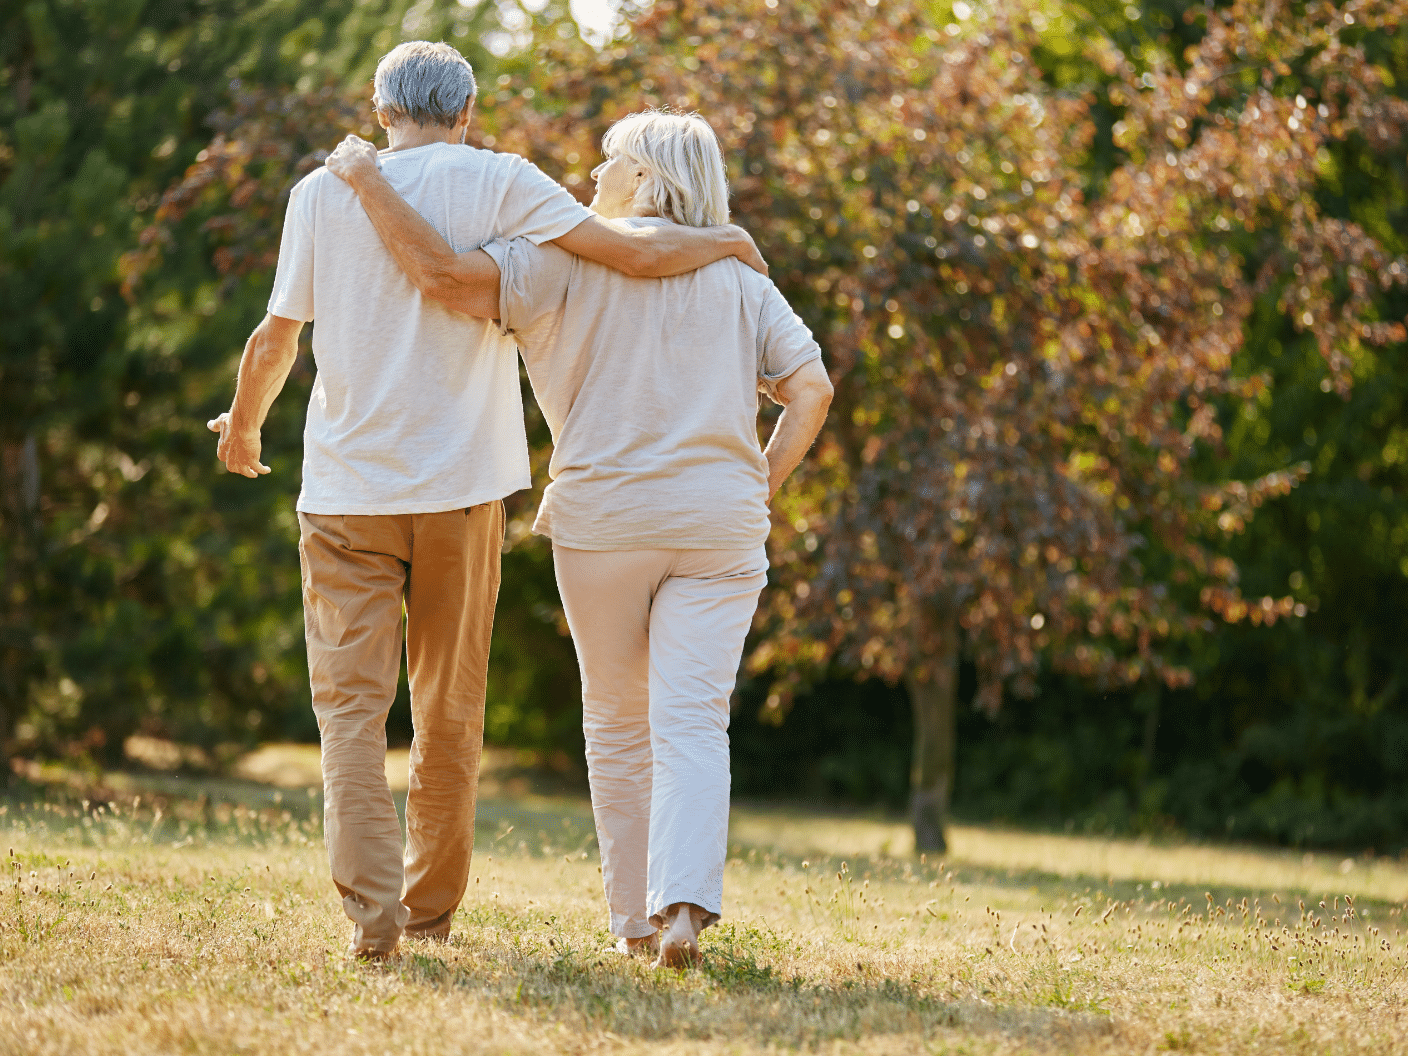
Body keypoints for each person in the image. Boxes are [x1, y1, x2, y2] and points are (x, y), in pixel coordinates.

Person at [207, 43, 768, 962]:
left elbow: (278, 334)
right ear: (467, 109)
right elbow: (624, 248)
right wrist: (726, 243)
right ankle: (428, 912)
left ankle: (371, 917)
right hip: (463, 491)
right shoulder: (506, 181)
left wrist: (242, 425)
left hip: (346, 493)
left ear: (380, 109)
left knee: (349, 712)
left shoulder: (320, 191)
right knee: (448, 709)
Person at [324, 109, 833, 967]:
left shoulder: (554, 261)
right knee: (695, 721)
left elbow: (449, 284)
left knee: (617, 723)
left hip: (605, 521)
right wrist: (760, 481)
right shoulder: (741, 274)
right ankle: (683, 911)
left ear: (640, 177)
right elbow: (810, 389)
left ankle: (632, 925)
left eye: (607, 161)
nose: (591, 175)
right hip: (720, 523)